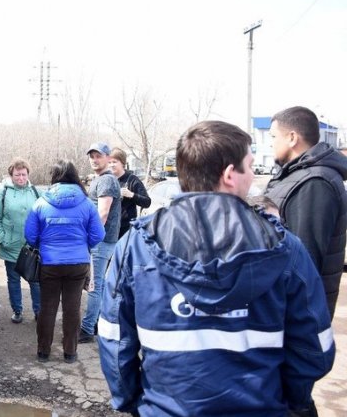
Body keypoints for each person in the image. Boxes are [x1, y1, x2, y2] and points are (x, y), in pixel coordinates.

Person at [97, 120, 335, 416]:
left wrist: (136, 403)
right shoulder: (285, 247)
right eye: (250, 166)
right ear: (230, 175)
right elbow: (314, 349)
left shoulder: (135, 246)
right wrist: (289, 400)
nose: (254, 177)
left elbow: (114, 340)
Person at [265, 106, 347, 321]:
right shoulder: (297, 176)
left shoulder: (314, 183)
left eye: (273, 136)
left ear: (292, 138)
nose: (270, 143)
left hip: (298, 318)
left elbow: (305, 262)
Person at [25, 160, 104, 363]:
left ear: (54, 176)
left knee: (47, 307)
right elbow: (98, 234)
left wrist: (45, 245)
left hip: (49, 263)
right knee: (72, 307)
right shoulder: (86, 204)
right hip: (78, 264)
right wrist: (82, 244)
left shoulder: (41, 202)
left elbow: (30, 235)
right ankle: (70, 353)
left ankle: (43, 351)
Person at [0, 158, 42, 324]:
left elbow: (44, 217)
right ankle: (17, 310)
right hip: (10, 246)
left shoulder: (35, 192)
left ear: (28, 174)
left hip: (32, 247)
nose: (21, 178)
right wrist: (1, 238)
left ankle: (39, 311)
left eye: (24, 174)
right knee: (13, 280)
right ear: (11, 175)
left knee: (35, 280)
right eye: (17, 174)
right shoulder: (3, 193)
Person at [79, 142, 121, 343]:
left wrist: (89, 239)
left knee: (94, 285)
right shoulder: (101, 179)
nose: (94, 160)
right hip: (103, 241)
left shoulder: (106, 181)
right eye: (92, 156)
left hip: (100, 241)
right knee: (100, 284)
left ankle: (87, 329)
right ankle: (98, 323)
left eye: (98, 156)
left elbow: (102, 214)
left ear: (107, 157)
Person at [108, 148, 151, 238]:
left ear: (123, 163)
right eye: (109, 162)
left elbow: (147, 202)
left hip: (126, 230)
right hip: (109, 228)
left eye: (114, 162)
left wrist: (131, 195)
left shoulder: (132, 180)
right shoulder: (107, 180)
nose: (111, 165)